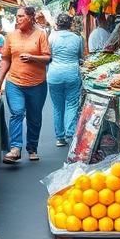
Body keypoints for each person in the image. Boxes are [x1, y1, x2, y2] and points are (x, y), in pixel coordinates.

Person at [0, 5, 51, 164]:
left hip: (37, 84)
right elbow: (5, 59)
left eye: (20, 16)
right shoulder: (10, 36)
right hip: (15, 82)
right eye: (17, 16)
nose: (17, 20)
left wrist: (33, 58)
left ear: (31, 18)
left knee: (34, 117)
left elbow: (47, 58)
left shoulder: (41, 35)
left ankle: (32, 148)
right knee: (17, 113)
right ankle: (15, 148)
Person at [48, 13, 84, 147]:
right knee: (72, 104)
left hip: (54, 75)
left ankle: (60, 137)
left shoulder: (51, 37)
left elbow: (48, 56)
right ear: (70, 24)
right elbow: (80, 56)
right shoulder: (77, 38)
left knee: (58, 107)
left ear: (57, 24)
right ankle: (70, 132)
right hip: (72, 74)